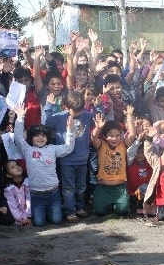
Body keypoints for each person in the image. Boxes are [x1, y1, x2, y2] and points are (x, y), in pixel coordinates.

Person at [14, 103, 75, 226]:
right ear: (31, 138)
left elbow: (68, 148)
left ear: (47, 138)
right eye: (37, 135)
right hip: (36, 194)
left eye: (43, 136)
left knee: (57, 220)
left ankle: (56, 210)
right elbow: (18, 137)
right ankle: (43, 213)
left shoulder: (52, 149)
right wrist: (20, 118)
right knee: (39, 223)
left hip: (53, 192)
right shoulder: (27, 149)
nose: (40, 138)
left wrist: (70, 131)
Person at [43, 91, 95, 223]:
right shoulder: (60, 117)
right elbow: (46, 123)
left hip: (83, 159)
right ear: (65, 107)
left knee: (81, 186)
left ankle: (80, 207)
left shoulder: (87, 115)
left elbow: (98, 118)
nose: (77, 114)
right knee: (68, 188)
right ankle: (70, 211)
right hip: (66, 160)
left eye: (80, 110)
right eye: (74, 111)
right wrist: (48, 106)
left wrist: (99, 106)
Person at [91, 107, 136, 216]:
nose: (114, 139)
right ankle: (106, 203)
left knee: (122, 210)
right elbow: (93, 138)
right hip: (103, 187)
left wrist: (129, 116)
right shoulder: (101, 145)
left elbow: (132, 135)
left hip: (119, 188)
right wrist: (97, 128)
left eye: (117, 135)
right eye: (111, 136)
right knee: (99, 212)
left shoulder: (123, 145)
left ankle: (116, 203)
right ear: (105, 136)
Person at [3, 159, 32, 226]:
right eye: (13, 167)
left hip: (30, 213)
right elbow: (12, 205)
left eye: (17, 165)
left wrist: (28, 217)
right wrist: (20, 219)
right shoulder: (9, 189)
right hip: (16, 215)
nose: (17, 167)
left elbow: (29, 200)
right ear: (9, 175)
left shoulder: (28, 182)